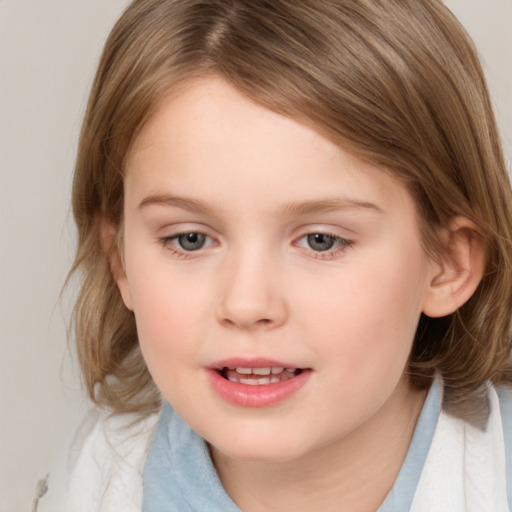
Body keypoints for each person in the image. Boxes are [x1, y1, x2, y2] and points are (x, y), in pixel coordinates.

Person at [35, 0, 512, 510]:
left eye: (321, 240)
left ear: (447, 263)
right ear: (121, 260)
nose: (246, 303)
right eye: (189, 239)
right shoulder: (88, 481)